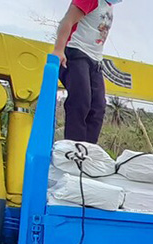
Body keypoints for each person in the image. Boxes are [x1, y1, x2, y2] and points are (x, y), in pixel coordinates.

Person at [52, 0, 119, 143]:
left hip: (95, 60)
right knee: (81, 100)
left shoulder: (108, 6)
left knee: (98, 107)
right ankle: (74, 146)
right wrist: (58, 49)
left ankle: (88, 149)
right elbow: (68, 20)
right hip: (76, 52)